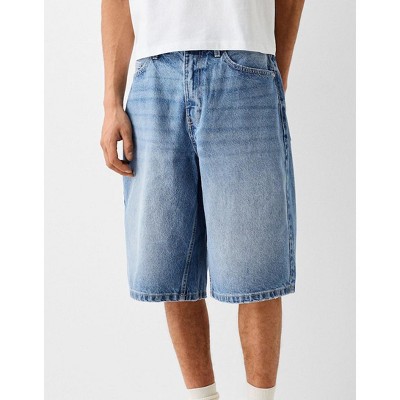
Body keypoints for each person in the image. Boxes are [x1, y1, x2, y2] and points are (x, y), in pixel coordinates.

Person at [100, 1, 305, 399]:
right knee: (170, 263)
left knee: (256, 266)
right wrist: (111, 101)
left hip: (245, 64)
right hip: (154, 74)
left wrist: (271, 74)